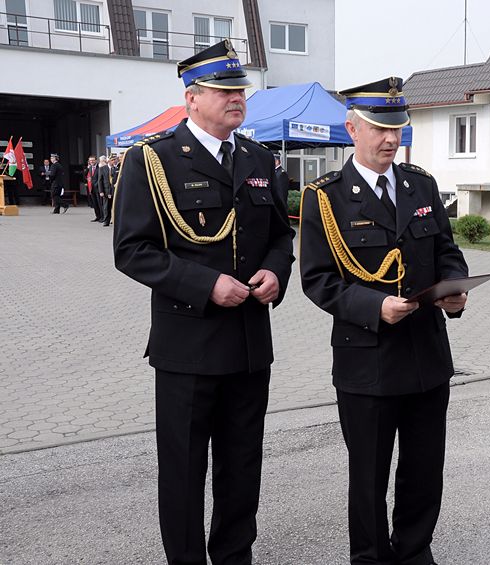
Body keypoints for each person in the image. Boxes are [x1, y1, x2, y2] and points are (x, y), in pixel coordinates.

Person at [112, 39, 295, 565]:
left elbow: (281, 235)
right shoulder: (154, 160)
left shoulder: (259, 158)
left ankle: (235, 558)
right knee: (184, 472)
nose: (237, 99)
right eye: (223, 91)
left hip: (248, 347)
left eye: (240, 90)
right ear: (191, 98)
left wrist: (276, 271)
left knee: (242, 469)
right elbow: (132, 250)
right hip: (187, 348)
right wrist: (205, 285)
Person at [299, 76, 468, 565]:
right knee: (369, 475)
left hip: (426, 357)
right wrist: (374, 307)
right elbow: (317, 279)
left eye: (397, 128)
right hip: (367, 362)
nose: (391, 138)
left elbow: (446, 250)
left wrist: (454, 288)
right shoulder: (325, 197)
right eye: (379, 128)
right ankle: (370, 557)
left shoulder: (421, 184)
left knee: (424, 470)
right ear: (352, 129)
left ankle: (415, 551)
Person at [99, 154, 119, 227]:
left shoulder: (116, 169)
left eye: (114, 160)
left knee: (116, 206)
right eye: (112, 160)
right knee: (106, 207)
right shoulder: (103, 168)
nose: (114, 161)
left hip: (114, 190)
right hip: (106, 190)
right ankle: (106, 221)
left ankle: (116, 221)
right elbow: (100, 180)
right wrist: (101, 191)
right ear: (108, 161)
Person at [85, 155, 103, 222]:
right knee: (95, 204)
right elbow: (87, 176)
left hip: (98, 188)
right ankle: (97, 216)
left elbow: (100, 178)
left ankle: (102, 217)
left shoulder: (99, 167)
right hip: (92, 189)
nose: (91, 161)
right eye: (90, 160)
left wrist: (96, 185)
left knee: (100, 204)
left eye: (93, 160)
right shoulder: (89, 168)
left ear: (96, 160)